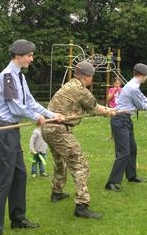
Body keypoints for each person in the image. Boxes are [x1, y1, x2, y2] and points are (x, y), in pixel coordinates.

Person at [0, 39, 63, 235]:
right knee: (3, 181)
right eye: (29, 55)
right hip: (4, 130)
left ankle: (17, 218)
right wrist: (35, 117)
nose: (32, 58)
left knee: (19, 174)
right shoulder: (8, 76)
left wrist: (51, 113)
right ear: (18, 55)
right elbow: (17, 107)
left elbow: (30, 102)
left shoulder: (20, 77)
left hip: (13, 130)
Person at [41, 61, 116, 218]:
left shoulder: (68, 85)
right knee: (81, 165)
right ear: (87, 77)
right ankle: (82, 205)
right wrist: (110, 111)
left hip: (47, 129)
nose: (91, 80)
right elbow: (95, 108)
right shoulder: (80, 90)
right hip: (59, 130)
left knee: (59, 162)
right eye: (91, 77)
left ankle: (57, 192)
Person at [105, 63, 147, 191]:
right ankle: (111, 182)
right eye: (146, 76)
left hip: (126, 120)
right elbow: (141, 106)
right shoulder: (132, 87)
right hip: (119, 120)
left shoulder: (134, 84)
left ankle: (131, 175)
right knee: (123, 152)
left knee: (132, 149)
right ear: (143, 75)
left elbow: (142, 98)